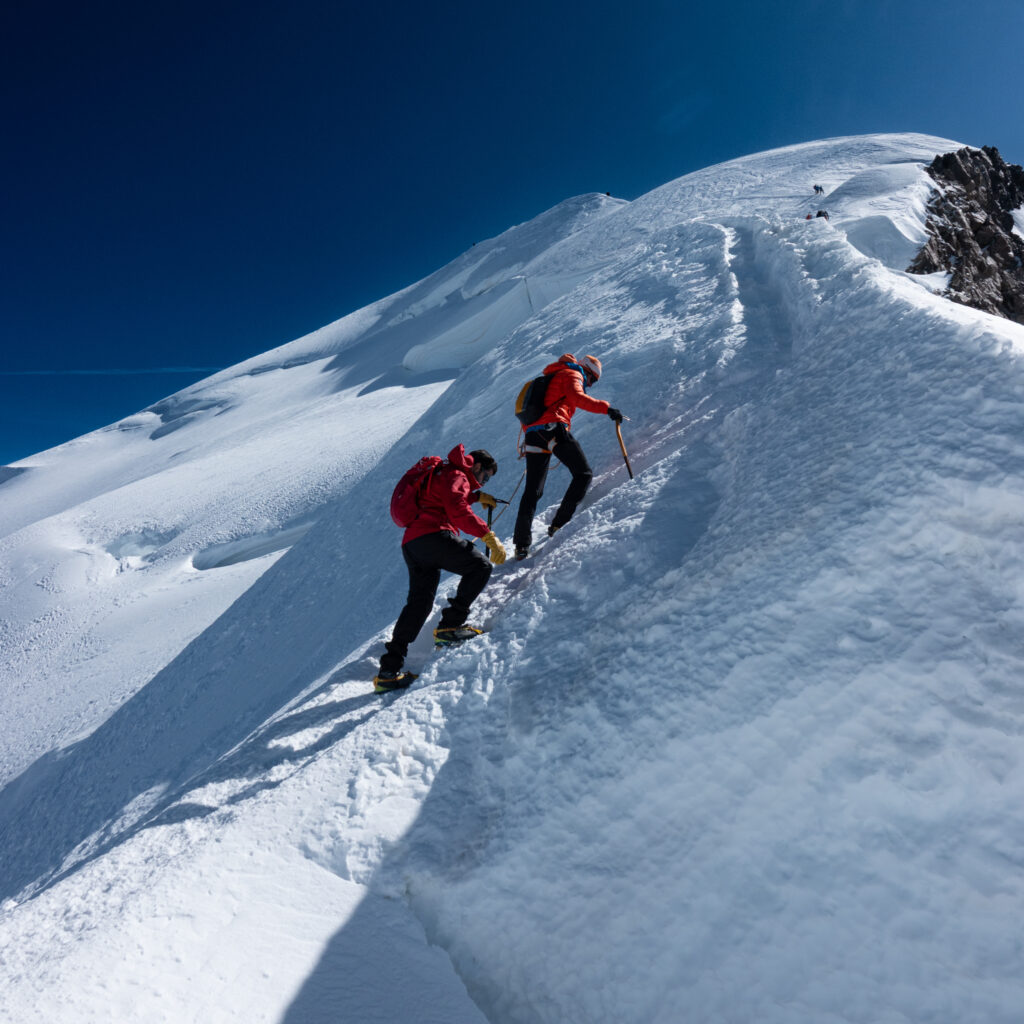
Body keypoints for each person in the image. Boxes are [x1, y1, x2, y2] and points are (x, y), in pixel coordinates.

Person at [374, 445, 506, 692]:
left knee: (419, 604)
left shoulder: (444, 471)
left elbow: (445, 496)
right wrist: (487, 535)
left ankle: (388, 672)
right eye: (485, 477)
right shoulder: (457, 473)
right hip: (434, 535)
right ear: (476, 466)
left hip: (413, 543)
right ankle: (449, 627)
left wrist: (477, 497)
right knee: (480, 567)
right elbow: (457, 508)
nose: (483, 482)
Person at [512, 353, 623, 560]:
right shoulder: (573, 373)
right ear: (587, 371)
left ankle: (521, 544)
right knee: (583, 474)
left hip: (533, 434)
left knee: (532, 491)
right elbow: (577, 398)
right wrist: (607, 408)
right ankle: (559, 525)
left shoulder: (553, 374)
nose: (590, 384)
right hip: (553, 428)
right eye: (592, 379)